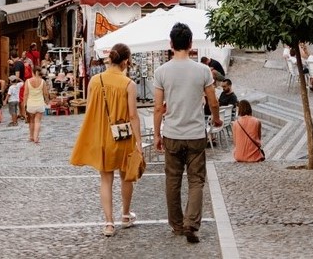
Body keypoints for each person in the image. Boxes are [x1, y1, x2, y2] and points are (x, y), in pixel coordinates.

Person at [153, 23, 222, 244]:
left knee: (172, 179)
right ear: (191, 45)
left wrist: (156, 135)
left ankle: (176, 224)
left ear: (171, 44)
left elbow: (157, 107)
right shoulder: (202, 70)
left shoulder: (161, 71)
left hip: (172, 133)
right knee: (196, 180)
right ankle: (191, 223)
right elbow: (213, 101)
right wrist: (217, 118)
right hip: (195, 133)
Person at [70, 43, 143, 237]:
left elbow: (93, 110)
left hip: (103, 137)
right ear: (126, 61)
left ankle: (109, 224)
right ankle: (126, 216)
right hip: (123, 138)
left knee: (105, 179)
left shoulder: (95, 81)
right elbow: (133, 116)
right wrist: (139, 141)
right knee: (126, 177)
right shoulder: (129, 84)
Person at [23, 68, 49, 144]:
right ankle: (36, 137)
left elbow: (25, 94)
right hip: (39, 103)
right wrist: (47, 100)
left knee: (31, 121)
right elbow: (45, 93)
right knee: (37, 121)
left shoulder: (28, 81)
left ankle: (31, 136)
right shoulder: (42, 81)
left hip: (31, 104)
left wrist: (24, 103)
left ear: (33, 72)